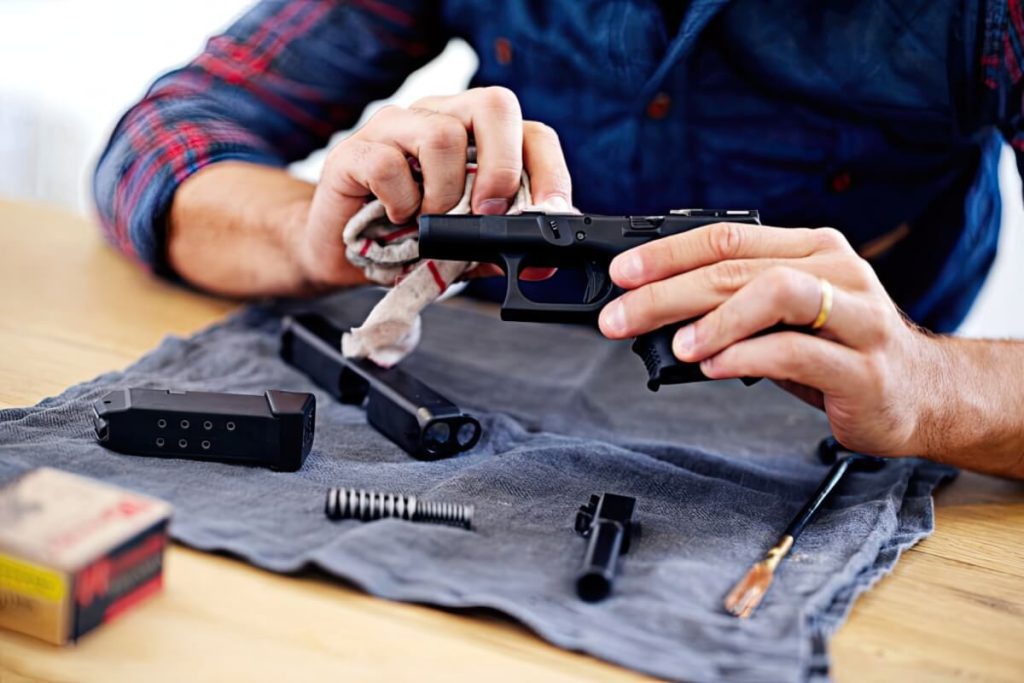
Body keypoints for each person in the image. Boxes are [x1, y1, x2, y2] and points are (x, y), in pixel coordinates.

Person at [94, 1, 1024, 479]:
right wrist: (312, 238)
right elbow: (158, 143)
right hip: (485, 390)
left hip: (825, 447)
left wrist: (931, 388)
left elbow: (935, 393)